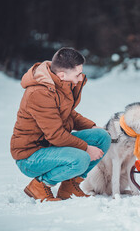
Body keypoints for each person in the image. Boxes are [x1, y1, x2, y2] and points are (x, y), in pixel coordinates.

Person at [10, 47, 111, 201]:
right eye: (77, 75)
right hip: (30, 156)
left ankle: (69, 186)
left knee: (102, 137)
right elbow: (56, 135)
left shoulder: (60, 82)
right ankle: (40, 185)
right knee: (82, 158)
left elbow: (68, 114)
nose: (80, 79)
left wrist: (92, 126)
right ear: (62, 75)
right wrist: (86, 148)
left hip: (49, 145)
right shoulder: (39, 93)